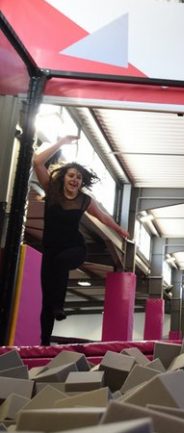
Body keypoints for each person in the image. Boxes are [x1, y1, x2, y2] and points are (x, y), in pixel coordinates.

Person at [33, 135, 130, 346]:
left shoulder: (84, 200)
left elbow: (103, 217)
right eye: (71, 175)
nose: (74, 180)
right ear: (63, 177)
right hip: (50, 250)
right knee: (46, 299)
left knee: (61, 265)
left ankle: (59, 306)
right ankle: (44, 343)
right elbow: (38, 162)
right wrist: (60, 143)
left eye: (78, 177)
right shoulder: (52, 190)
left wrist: (119, 229)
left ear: (81, 182)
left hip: (75, 249)